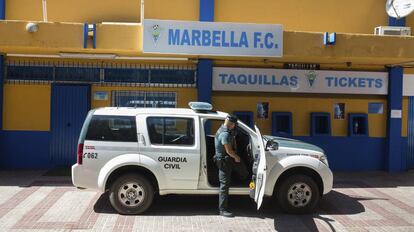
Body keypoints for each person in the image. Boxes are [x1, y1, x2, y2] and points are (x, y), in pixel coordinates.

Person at [214, 115, 248, 217]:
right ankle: (222, 209)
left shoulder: (221, 129)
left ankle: (243, 180)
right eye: (234, 125)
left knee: (240, 171)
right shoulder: (225, 134)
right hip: (225, 161)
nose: (235, 127)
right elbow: (229, 151)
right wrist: (237, 157)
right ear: (231, 124)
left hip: (225, 160)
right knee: (224, 185)